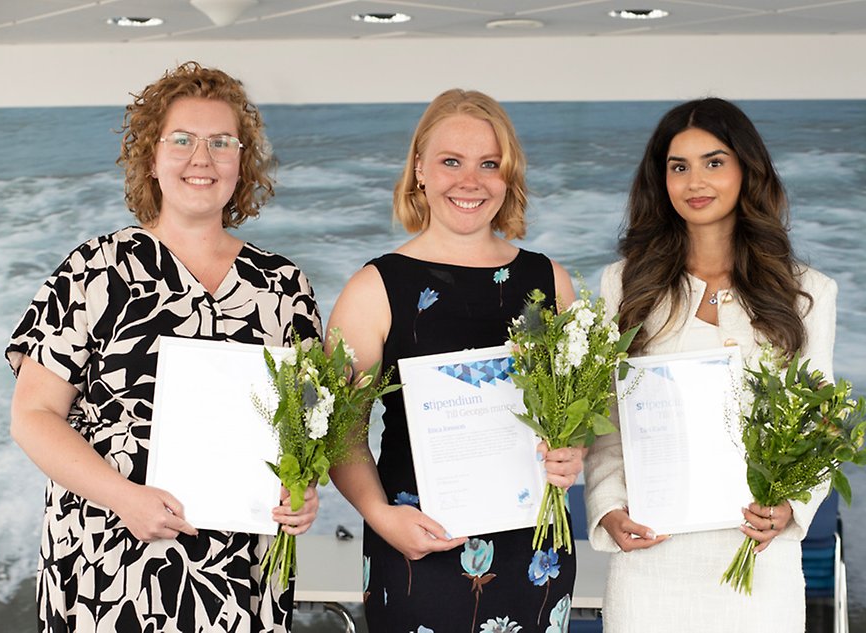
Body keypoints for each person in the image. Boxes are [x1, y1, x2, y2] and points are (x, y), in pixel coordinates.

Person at [6, 62, 322, 632]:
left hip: (241, 570)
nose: (201, 158)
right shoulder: (95, 269)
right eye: (182, 140)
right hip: (108, 565)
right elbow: (32, 416)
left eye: (221, 142)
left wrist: (303, 493)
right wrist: (124, 497)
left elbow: (305, 430)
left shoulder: (283, 286)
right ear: (151, 157)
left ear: (241, 161)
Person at [328, 88, 581, 632]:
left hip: (534, 551)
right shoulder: (374, 287)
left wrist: (571, 451)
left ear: (508, 176)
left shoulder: (551, 281)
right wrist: (379, 517)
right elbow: (340, 432)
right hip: (417, 544)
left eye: (490, 164)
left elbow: (574, 416)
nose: (470, 181)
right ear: (419, 169)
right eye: (450, 162)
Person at [583, 97, 837, 631]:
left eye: (714, 162)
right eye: (679, 166)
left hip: (758, 559)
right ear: (662, 180)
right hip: (651, 556)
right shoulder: (621, 285)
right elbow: (606, 419)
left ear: (748, 171)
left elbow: (819, 422)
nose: (695, 181)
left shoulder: (808, 293)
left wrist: (790, 506)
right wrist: (608, 507)